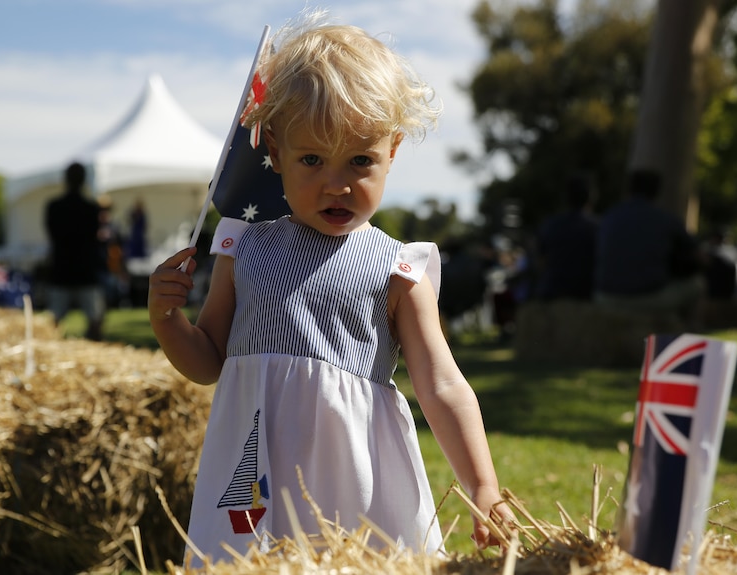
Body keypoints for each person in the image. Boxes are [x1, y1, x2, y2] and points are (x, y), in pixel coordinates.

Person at [148, 13, 514, 566]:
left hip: (357, 485)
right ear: (274, 148)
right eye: (312, 160)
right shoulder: (242, 246)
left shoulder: (398, 268)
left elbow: (441, 385)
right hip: (254, 476)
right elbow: (207, 362)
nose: (336, 184)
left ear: (392, 150)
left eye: (360, 161)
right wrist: (167, 320)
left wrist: (482, 484)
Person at [594, 169, 703, 324]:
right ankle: (689, 335)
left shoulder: (608, 217)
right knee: (698, 285)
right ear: (657, 192)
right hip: (649, 297)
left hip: (604, 296)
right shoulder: (666, 219)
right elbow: (699, 257)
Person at [44, 161, 105, 340]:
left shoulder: (54, 207)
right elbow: (94, 238)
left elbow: (52, 235)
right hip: (86, 270)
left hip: (61, 269)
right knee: (94, 321)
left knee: (54, 325)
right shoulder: (91, 208)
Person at [536, 173, 598, 300]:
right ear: (591, 196)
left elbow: (541, 262)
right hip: (586, 296)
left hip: (551, 295)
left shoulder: (550, 225)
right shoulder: (598, 227)